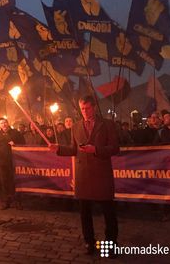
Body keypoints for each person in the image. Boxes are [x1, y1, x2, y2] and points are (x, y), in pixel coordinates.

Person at [49, 95, 119, 256]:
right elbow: (74, 149)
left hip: (102, 174)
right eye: (82, 109)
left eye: (87, 108)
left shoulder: (107, 124)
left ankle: (111, 244)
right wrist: (58, 148)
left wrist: (96, 150)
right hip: (83, 176)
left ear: (94, 107)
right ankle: (89, 242)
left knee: (109, 212)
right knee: (84, 213)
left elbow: (115, 148)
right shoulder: (75, 126)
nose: (85, 112)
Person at [0, 116, 24, 210]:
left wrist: (15, 145)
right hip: (2, 162)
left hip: (14, 161)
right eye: (1, 123)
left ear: (8, 123)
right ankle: (6, 201)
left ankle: (16, 201)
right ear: (0, 125)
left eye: (5, 122)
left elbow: (23, 144)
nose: (4, 125)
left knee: (14, 181)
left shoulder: (15, 133)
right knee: (4, 181)